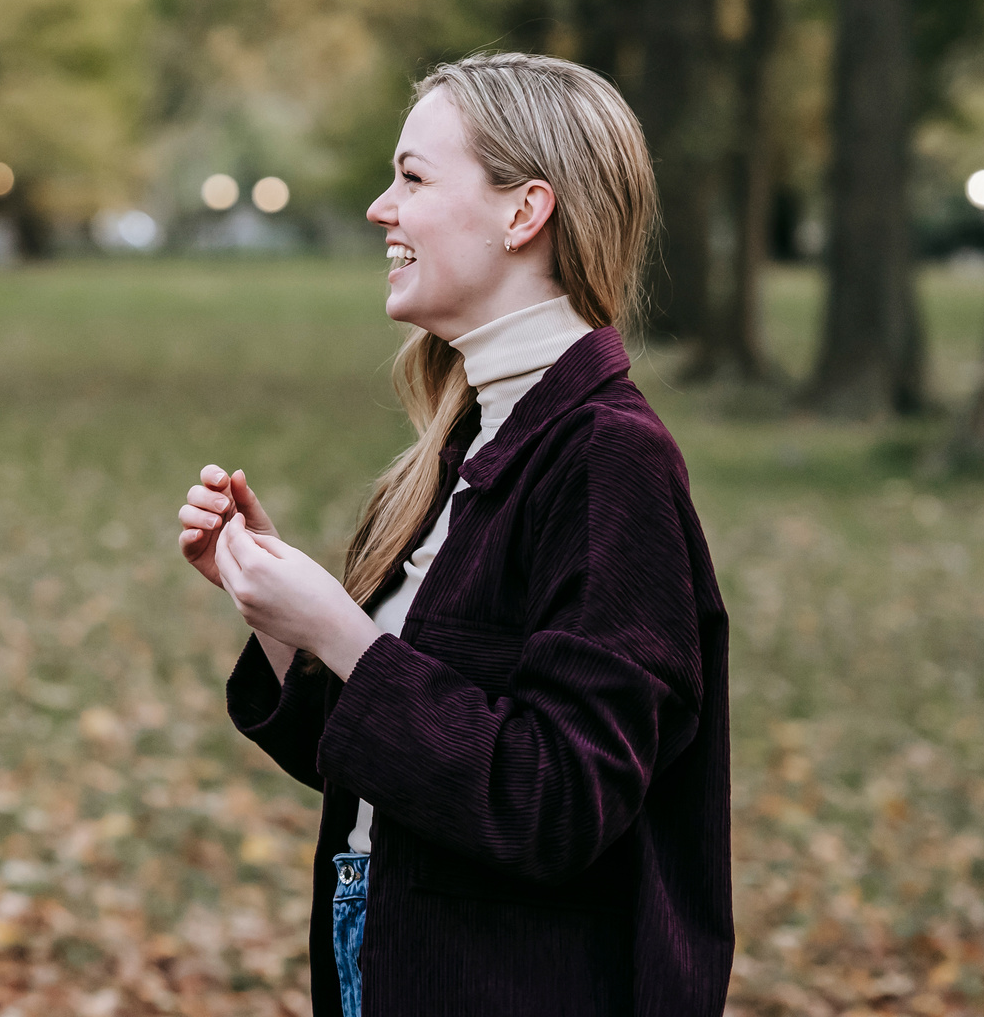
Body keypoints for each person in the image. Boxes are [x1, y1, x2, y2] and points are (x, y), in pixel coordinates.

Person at [177, 51, 731, 1017]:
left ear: (525, 213)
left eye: (413, 177)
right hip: (385, 947)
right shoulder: (477, 431)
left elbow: (555, 804)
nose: (379, 210)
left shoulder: (606, 458)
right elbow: (387, 760)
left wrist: (343, 633)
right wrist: (281, 617)